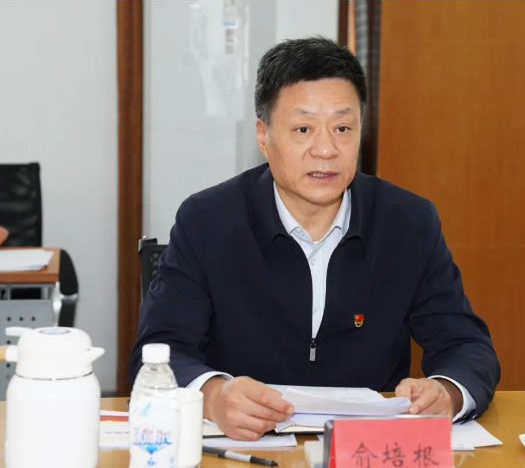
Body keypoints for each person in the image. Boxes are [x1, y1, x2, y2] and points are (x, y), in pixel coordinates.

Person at [130, 37, 500, 441]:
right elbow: (160, 349)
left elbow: (466, 345)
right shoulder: (208, 221)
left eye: (342, 128)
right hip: (246, 444)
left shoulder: (408, 222)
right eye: (303, 129)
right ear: (263, 136)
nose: (326, 149)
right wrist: (215, 396)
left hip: (365, 449)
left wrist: (447, 392)